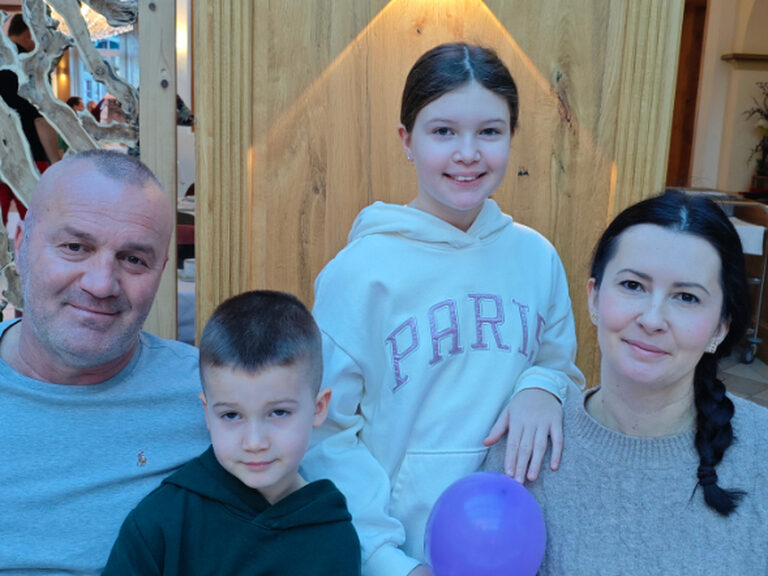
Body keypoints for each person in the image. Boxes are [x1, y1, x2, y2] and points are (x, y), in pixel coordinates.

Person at [301, 42, 584, 576]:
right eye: (443, 131)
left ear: (511, 138)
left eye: (490, 132)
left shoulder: (537, 258)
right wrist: (388, 561)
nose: (468, 152)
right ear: (407, 140)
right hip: (404, 557)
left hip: (520, 548)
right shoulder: (357, 274)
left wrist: (542, 385)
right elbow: (324, 435)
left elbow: (560, 367)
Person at [485, 189, 768, 575]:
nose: (652, 319)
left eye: (686, 297)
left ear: (721, 326)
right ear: (594, 298)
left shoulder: (760, 451)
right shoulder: (525, 447)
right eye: (633, 286)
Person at [0, 150, 209, 575]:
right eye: (75, 247)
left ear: (162, 270)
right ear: (20, 243)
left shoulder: (218, 398)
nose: (101, 284)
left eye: (133, 259)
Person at [102, 290, 361, 575]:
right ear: (207, 413)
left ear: (319, 408)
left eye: (279, 412)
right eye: (232, 415)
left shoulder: (333, 535)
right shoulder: (162, 522)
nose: (254, 442)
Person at [0, 13, 61, 224]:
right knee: (37, 227)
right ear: (28, 34)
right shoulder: (32, 67)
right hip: (30, 157)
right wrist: (56, 164)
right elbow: (40, 119)